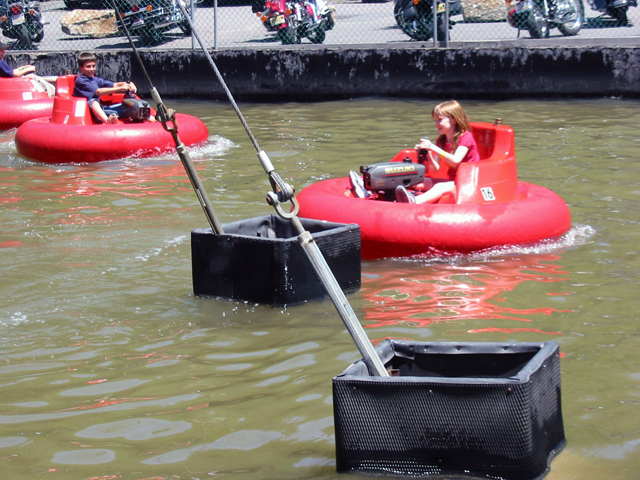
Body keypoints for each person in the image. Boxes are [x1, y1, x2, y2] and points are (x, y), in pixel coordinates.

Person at [394, 100, 479, 204]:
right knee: (417, 181)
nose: (436, 124)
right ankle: (382, 192)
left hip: (467, 183)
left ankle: (414, 201)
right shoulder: (442, 140)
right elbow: (434, 169)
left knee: (440, 186)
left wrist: (433, 147)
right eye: (435, 120)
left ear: (453, 120)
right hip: (452, 181)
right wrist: (428, 153)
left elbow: (456, 161)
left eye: (439, 120)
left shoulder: (466, 137)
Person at [73, 51, 151, 125]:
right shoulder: (81, 80)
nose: (92, 69)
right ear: (81, 68)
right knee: (93, 101)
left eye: (93, 66)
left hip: (102, 108)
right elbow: (98, 92)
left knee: (129, 106)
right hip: (89, 110)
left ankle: (152, 118)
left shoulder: (95, 79)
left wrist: (128, 84)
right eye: (88, 67)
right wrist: (121, 88)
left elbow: (114, 85)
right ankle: (107, 121)